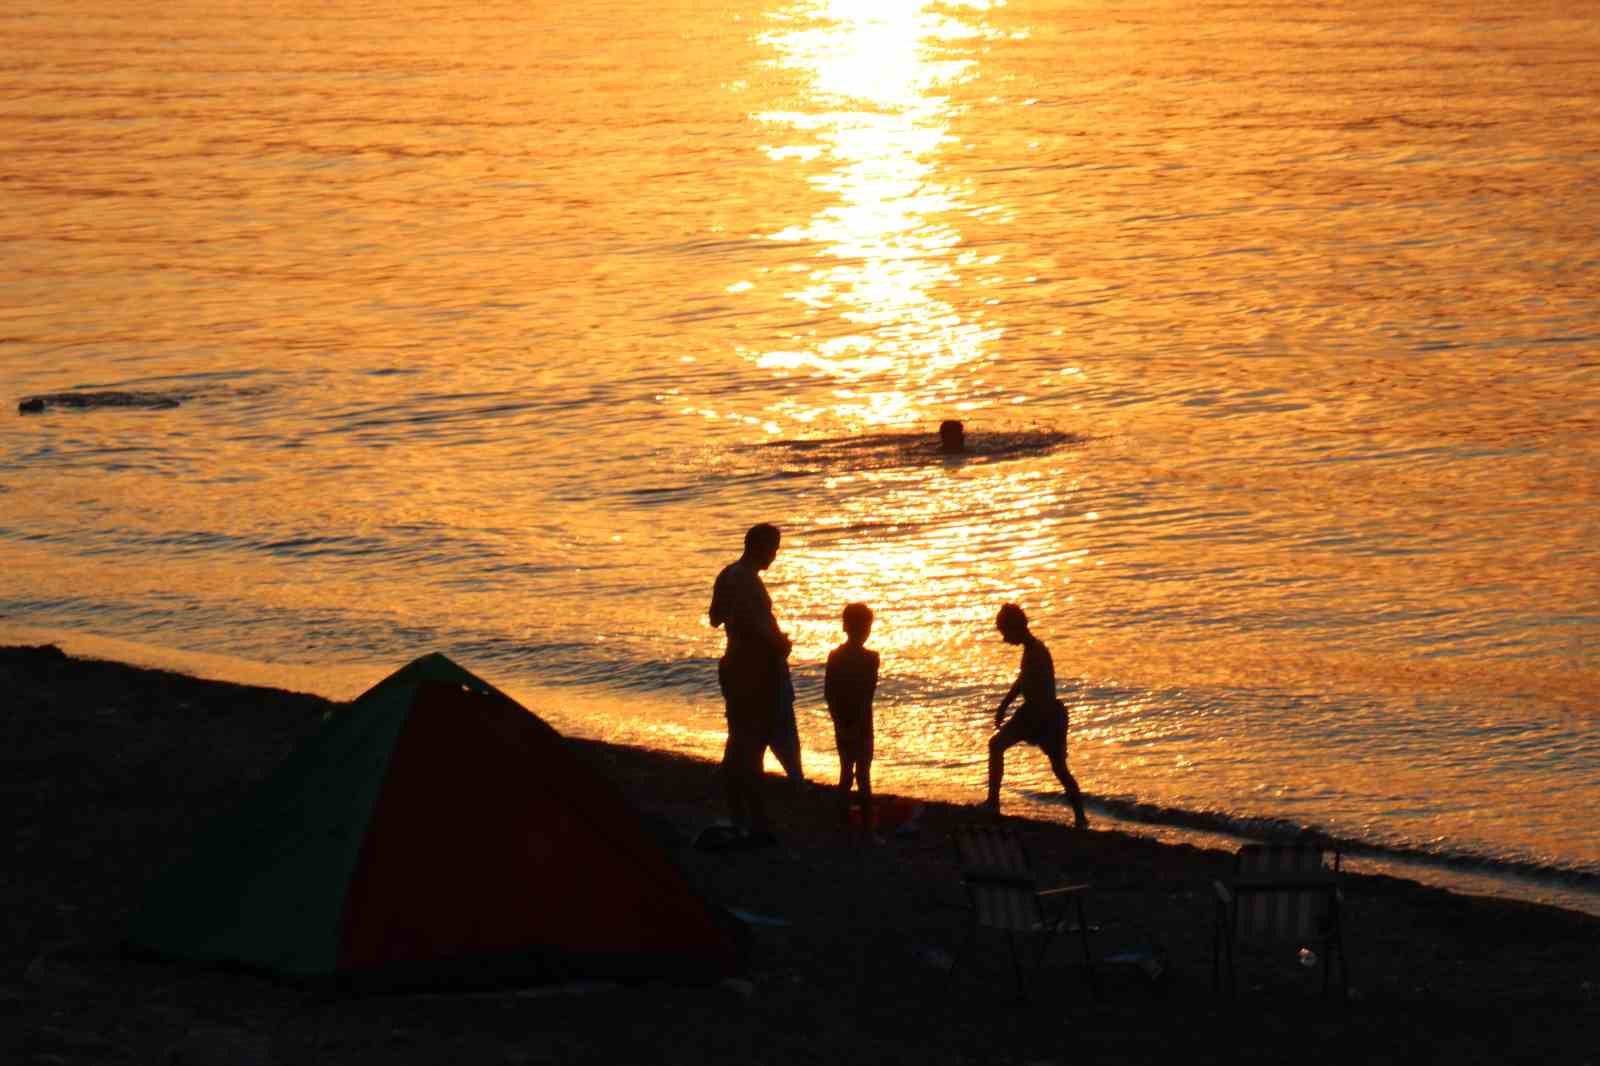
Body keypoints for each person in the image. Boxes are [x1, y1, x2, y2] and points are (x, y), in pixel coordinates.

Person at [708, 523, 792, 845]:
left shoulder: (727, 574)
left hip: (733, 665)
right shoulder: (747, 580)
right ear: (758, 547)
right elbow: (753, 628)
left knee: (739, 740)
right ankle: (752, 820)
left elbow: (715, 619)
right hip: (752, 670)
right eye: (773, 549)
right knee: (752, 743)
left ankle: (741, 815)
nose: (775, 555)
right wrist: (778, 643)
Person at [984, 603, 1088, 828]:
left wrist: (1008, 707)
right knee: (999, 746)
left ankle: (1080, 816)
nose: (1004, 639)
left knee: (1058, 767)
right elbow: (1022, 681)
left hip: (1042, 714)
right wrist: (1004, 705)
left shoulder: (1036, 651)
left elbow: (1025, 684)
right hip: (1039, 713)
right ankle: (1080, 817)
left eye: (1005, 633)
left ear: (1015, 628)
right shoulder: (1032, 650)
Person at [824, 602, 880, 837]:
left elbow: (829, 693)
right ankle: (866, 829)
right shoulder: (871, 658)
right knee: (862, 774)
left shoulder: (835, 656)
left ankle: (842, 824)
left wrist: (839, 721)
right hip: (861, 722)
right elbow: (868, 694)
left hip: (843, 720)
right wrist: (854, 725)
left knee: (846, 773)